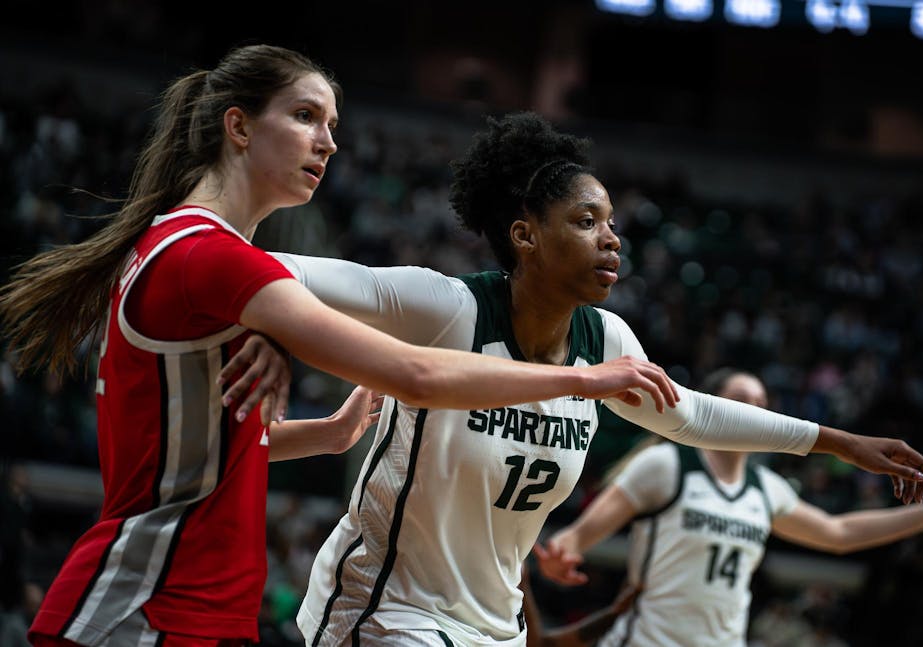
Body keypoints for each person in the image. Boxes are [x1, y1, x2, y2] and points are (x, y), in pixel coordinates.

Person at [0, 45, 683, 647]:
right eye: (305, 117)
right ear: (238, 126)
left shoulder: (195, 250)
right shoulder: (208, 256)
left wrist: (327, 433)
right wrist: (582, 380)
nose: (327, 143)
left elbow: (200, 446)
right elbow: (416, 375)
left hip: (196, 608)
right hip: (147, 604)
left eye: (332, 125)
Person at [246, 112, 923, 646]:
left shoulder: (605, 341)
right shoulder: (449, 308)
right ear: (526, 236)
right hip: (388, 607)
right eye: (586, 221)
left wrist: (837, 441)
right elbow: (280, 268)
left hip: (495, 624)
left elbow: (694, 414)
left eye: (611, 223)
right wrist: (269, 332)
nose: (612, 238)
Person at [534, 368, 923, 647]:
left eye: (762, 405)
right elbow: (580, 535)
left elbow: (839, 534)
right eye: (741, 402)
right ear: (713, 408)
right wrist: (563, 551)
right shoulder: (666, 464)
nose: (755, 413)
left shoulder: (766, 489)